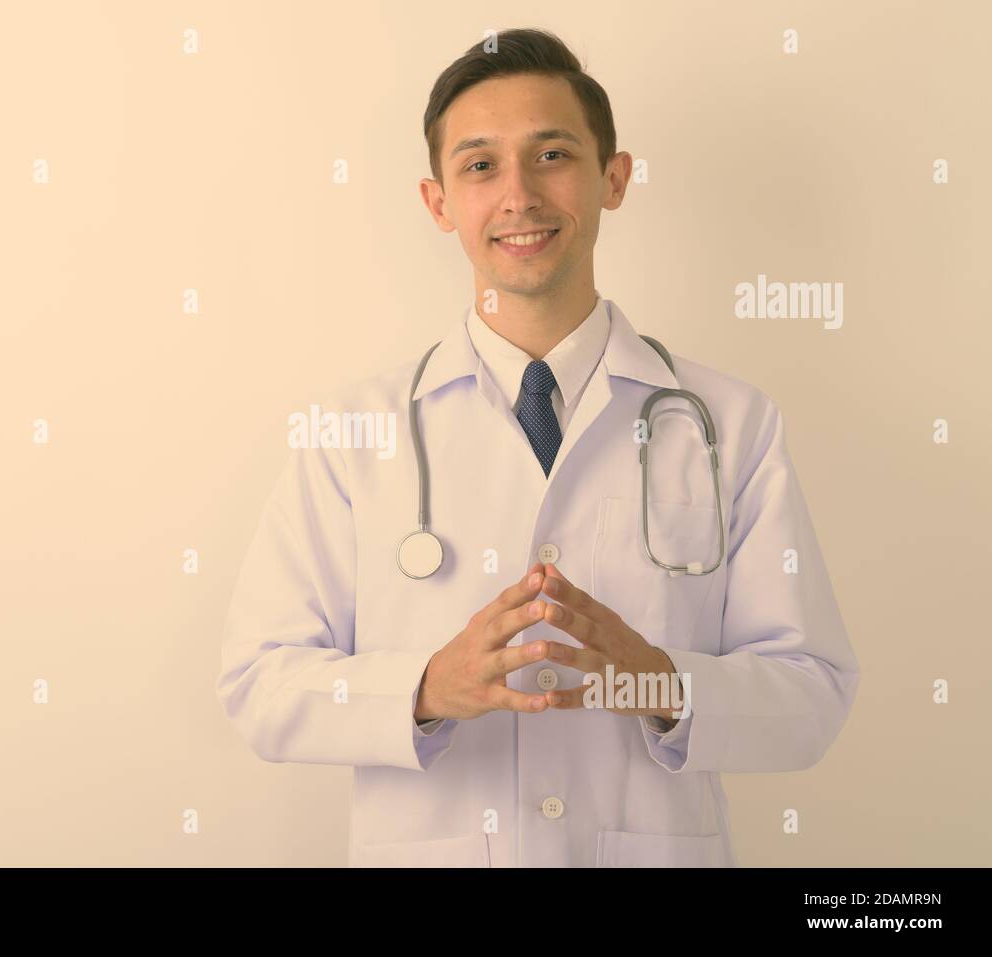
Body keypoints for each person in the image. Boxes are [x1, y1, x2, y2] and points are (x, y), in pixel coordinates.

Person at [216, 28, 859, 867]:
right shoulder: (353, 432)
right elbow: (259, 684)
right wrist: (423, 688)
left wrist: (658, 680)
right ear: (439, 201)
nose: (518, 194)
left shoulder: (730, 423)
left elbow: (813, 691)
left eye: (552, 154)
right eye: (480, 165)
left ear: (613, 178)